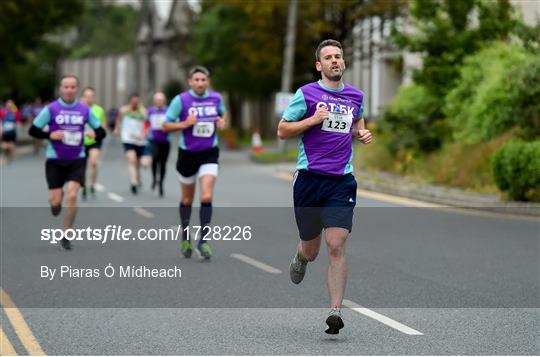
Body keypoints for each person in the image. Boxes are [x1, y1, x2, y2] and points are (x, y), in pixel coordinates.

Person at [277, 39, 373, 334]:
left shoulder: (356, 96)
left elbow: (357, 123)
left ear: (343, 63)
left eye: (338, 56)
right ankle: (301, 255)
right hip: (309, 180)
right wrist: (312, 119)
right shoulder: (306, 94)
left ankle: (335, 311)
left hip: (341, 181)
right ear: (319, 65)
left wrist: (362, 133)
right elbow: (282, 130)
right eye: (328, 57)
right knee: (313, 249)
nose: (335, 61)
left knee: (336, 244)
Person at [29, 75, 106, 250]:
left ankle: (67, 233)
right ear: (60, 88)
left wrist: (94, 135)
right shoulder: (51, 109)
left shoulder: (85, 110)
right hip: (55, 159)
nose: (69, 90)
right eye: (66, 87)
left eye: (72, 87)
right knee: (56, 201)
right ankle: (56, 203)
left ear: (77, 89)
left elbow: (101, 132)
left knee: (72, 194)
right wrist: (50, 135)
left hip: (77, 158)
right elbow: (33, 130)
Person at [163, 66, 227, 260]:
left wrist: (222, 122)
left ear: (208, 81)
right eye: (196, 80)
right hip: (188, 154)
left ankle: (203, 240)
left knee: (206, 196)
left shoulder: (216, 98)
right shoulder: (181, 100)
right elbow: (165, 125)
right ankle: (185, 235)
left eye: (203, 80)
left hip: (209, 152)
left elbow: (222, 115)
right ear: (190, 82)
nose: (200, 83)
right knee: (188, 200)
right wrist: (184, 124)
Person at [114, 94, 150, 194]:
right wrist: (117, 129)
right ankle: (133, 182)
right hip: (128, 139)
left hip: (140, 140)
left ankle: (138, 177)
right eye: (133, 102)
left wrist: (144, 133)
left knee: (143, 163)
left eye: (136, 102)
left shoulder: (143, 111)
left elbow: (147, 124)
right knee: (132, 159)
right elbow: (119, 119)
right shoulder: (124, 110)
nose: (134, 104)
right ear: (130, 101)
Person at [80, 87, 106, 199]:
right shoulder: (78, 109)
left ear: (94, 97)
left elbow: (103, 127)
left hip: (95, 141)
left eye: (91, 96)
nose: (88, 98)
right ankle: (83, 185)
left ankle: (92, 184)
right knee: (82, 166)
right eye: (86, 96)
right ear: (83, 97)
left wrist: (96, 134)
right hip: (80, 142)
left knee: (94, 162)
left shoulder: (99, 110)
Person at [148, 92, 170, 197]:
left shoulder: (168, 110)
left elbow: (173, 121)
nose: (159, 102)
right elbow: (146, 123)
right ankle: (154, 178)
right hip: (153, 140)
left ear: (164, 101)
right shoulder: (150, 111)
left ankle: (161, 183)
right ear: (154, 101)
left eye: (161, 100)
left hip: (165, 140)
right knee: (155, 158)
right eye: (157, 100)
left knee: (163, 163)